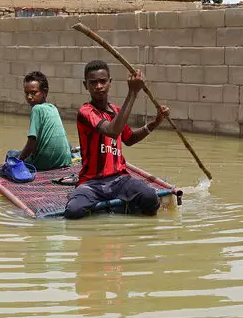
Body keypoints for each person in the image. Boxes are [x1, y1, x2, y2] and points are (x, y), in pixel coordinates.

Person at [65, 60, 169, 220]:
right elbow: (112, 131)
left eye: (103, 81)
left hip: (119, 179)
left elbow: (130, 138)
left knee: (150, 198)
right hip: (91, 183)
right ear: (86, 85)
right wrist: (133, 93)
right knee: (73, 211)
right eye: (93, 83)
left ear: (110, 83)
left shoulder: (117, 111)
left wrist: (155, 123)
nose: (99, 86)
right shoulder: (86, 112)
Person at [10, 71, 73, 171]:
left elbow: (32, 141)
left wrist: (19, 160)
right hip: (64, 161)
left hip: (44, 164)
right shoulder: (53, 108)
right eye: (27, 93)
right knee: (68, 144)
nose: (29, 97)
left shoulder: (37, 109)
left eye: (34, 93)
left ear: (45, 92)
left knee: (12, 153)